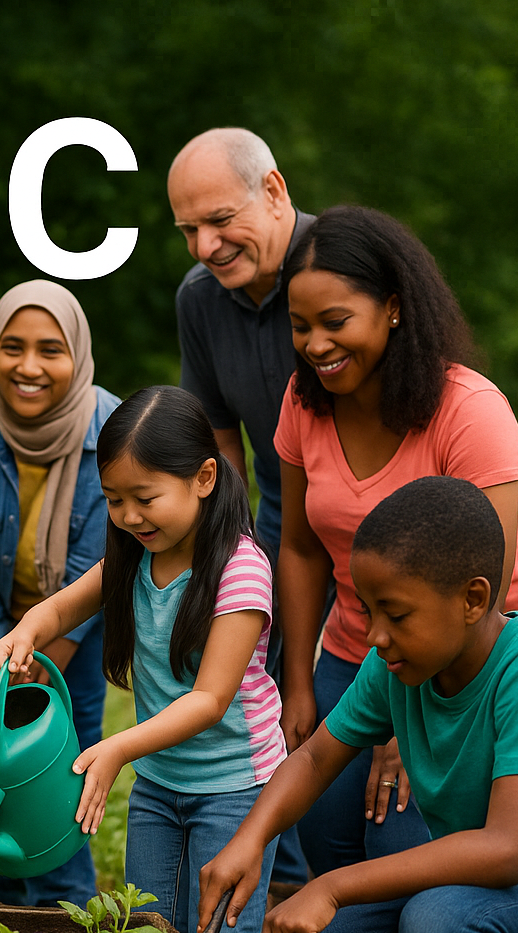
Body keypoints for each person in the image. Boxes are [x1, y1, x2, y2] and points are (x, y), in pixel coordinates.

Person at [200, 476, 518, 933]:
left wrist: (332, 887)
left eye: (397, 614)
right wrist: (251, 838)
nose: (376, 635)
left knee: (442, 928)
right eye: (367, 611)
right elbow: (314, 759)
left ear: (473, 600)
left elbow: (507, 850)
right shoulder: (396, 666)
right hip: (468, 890)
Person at [276, 205, 518, 877]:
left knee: (401, 845)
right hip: (361, 646)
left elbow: (483, 577)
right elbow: (300, 547)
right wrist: (298, 681)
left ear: (394, 309)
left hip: (470, 655)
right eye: (299, 327)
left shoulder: (469, 410)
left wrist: (412, 720)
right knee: (323, 835)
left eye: (335, 322)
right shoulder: (303, 401)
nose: (316, 345)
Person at [0, 386, 287, 933]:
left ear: (204, 477)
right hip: (160, 782)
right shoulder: (132, 554)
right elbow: (66, 605)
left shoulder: (240, 570)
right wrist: (25, 632)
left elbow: (208, 701)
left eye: (145, 498)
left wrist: (116, 748)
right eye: (114, 500)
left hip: (237, 788)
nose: (128, 516)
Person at [0, 280, 120, 908]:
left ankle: (68, 908)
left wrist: (43, 657)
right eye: (13, 347)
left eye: (50, 349)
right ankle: (7, 903)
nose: (29, 367)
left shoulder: (114, 431)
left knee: (59, 776)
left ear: (79, 355)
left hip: (76, 640)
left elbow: (105, 562)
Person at [168, 127, 315, 888]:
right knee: (279, 722)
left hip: (378, 537)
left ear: (275, 191)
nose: (204, 246)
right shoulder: (202, 300)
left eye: (220, 220)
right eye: (188, 229)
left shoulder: (338, 269)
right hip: (283, 539)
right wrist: (231, 568)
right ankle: (279, 893)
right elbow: (223, 454)